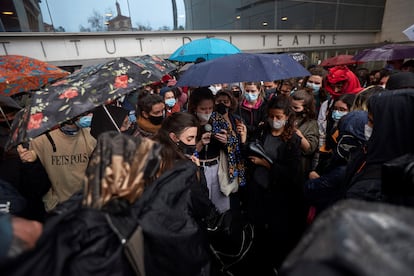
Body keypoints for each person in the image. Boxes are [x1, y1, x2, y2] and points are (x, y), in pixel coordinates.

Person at [244, 95, 305, 273]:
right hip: (258, 192)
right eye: (271, 116)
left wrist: (267, 165)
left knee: (276, 237)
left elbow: (292, 174)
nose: (274, 120)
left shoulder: (292, 140)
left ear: (287, 116)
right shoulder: (262, 132)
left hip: (279, 198)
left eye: (278, 117)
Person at [17, 117, 96, 212]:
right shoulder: (40, 141)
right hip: (57, 208)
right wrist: (31, 163)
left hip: (87, 206)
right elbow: (36, 185)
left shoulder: (92, 136)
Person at [291, 89, 320, 181]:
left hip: (299, 166)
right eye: (291, 107)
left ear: (306, 109)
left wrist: (298, 134)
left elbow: (310, 148)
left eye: (296, 108)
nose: (293, 110)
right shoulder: (286, 117)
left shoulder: (311, 124)